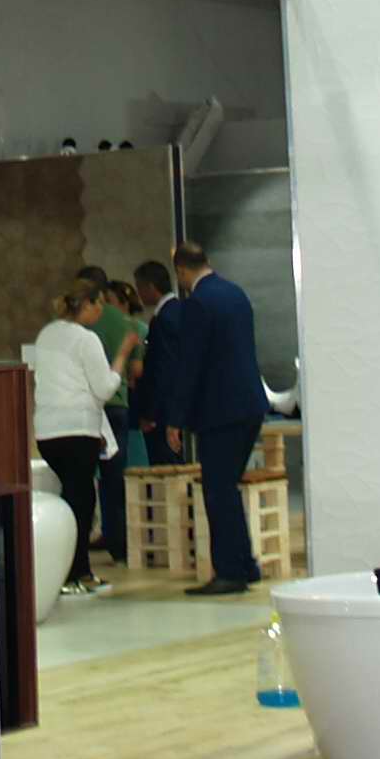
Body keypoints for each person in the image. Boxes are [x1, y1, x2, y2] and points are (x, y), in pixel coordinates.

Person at [153, 240, 270, 598]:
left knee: (218, 491)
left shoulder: (198, 303)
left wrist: (175, 418)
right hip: (249, 404)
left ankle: (230, 572)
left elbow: (191, 364)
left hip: (220, 410)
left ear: (181, 272)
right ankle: (245, 564)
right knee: (227, 487)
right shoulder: (235, 294)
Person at [26, 278, 123, 594]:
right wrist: (120, 361)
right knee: (82, 502)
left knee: (72, 497)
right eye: (99, 305)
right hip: (77, 430)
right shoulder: (86, 339)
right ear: (89, 304)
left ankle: (69, 572)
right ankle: (76, 573)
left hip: (48, 433)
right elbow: (104, 388)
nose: (101, 311)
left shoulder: (47, 334)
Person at [85, 263, 144, 564]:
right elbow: (137, 370)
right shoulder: (127, 323)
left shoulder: (79, 324)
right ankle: (120, 545)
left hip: (88, 407)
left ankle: (87, 541)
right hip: (118, 404)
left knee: (85, 478)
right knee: (115, 477)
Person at [130, 259, 186, 475]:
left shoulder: (164, 319)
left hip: (163, 411)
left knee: (166, 471)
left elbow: (162, 370)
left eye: (139, 288)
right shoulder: (180, 311)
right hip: (177, 405)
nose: (139, 294)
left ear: (150, 287)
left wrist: (150, 412)